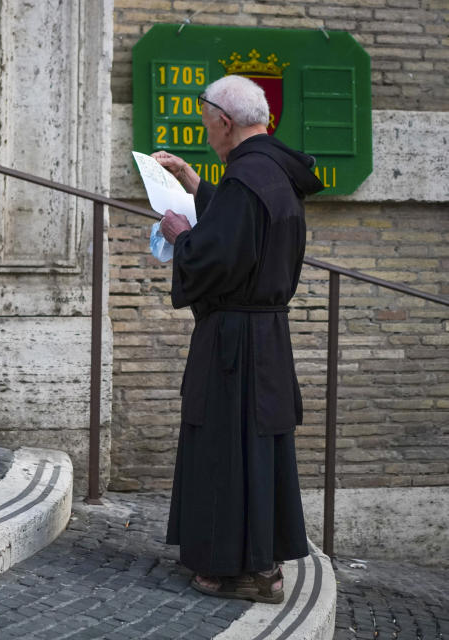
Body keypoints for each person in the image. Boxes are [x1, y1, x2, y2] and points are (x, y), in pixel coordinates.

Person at [152, 74, 324, 604]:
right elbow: (241, 227)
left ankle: (232, 570)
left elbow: (219, 256)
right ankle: (262, 564)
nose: (206, 136)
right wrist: (195, 183)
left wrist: (183, 237)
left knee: (227, 451)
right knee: (255, 450)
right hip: (264, 335)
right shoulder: (268, 171)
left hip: (235, 343)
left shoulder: (249, 179)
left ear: (225, 122)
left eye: (207, 125)